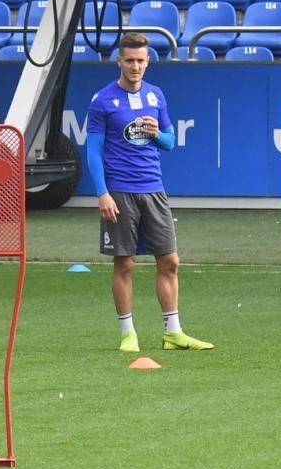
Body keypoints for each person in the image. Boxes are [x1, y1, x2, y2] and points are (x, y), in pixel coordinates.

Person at [85, 32, 214, 354]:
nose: (135, 66)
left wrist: (158, 134)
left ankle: (173, 332)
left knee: (170, 261)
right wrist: (102, 193)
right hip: (120, 191)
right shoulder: (103, 100)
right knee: (125, 264)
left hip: (153, 189)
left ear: (148, 62)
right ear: (119, 61)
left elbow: (170, 143)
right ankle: (128, 333)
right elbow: (93, 150)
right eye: (129, 60)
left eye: (140, 60)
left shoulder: (156, 96)